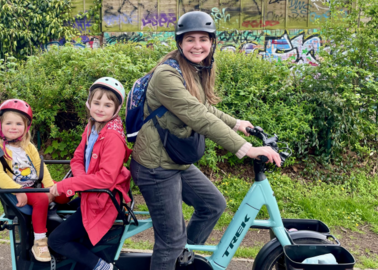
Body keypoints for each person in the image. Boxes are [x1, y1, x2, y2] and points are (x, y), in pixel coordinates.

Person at [129, 11, 282, 270]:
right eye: (190, 39)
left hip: (174, 159)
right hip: (155, 167)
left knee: (212, 205)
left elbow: (204, 107)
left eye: (203, 39)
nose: (197, 45)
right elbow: (198, 116)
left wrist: (237, 123)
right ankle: (174, 255)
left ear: (212, 42)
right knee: (169, 242)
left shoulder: (193, 69)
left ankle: (183, 262)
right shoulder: (167, 74)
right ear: (180, 43)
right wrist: (247, 149)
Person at [48, 77, 132, 270]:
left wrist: (67, 185)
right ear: (89, 103)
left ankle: (103, 267)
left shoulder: (112, 137)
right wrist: (79, 181)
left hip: (103, 200)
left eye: (107, 105)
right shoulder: (92, 126)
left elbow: (106, 178)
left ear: (116, 109)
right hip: (92, 194)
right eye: (96, 103)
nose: (100, 109)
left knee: (56, 241)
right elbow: (77, 158)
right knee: (57, 209)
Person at [0, 99, 69, 262]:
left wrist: (51, 187)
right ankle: (39, 241)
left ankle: (68, 217)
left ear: (26, 127)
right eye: (9, 123)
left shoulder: (27, 146)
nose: (13, 127)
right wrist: (18, 190)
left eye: (18, 123)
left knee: (64, 191)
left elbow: (40, 167)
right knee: (40, 199)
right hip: (22, 189)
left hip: (35, 184)